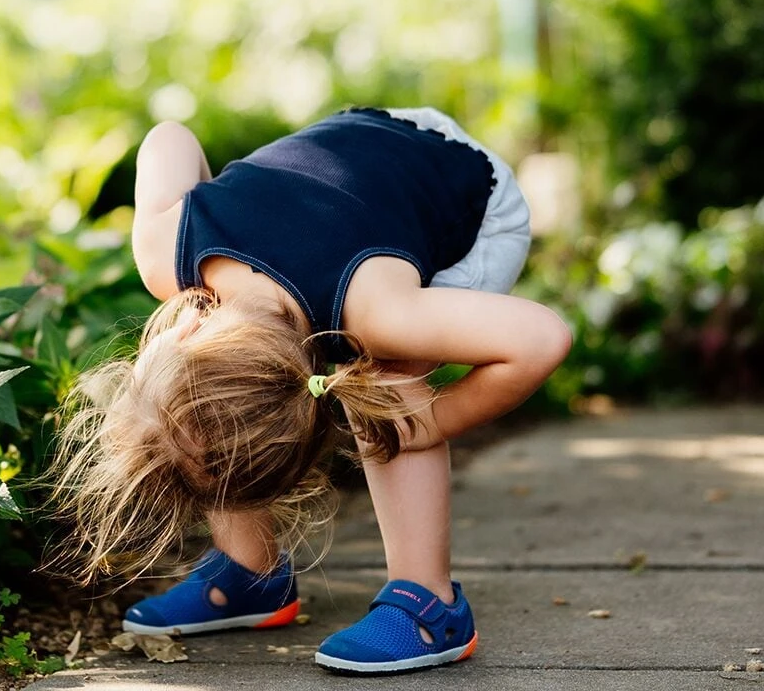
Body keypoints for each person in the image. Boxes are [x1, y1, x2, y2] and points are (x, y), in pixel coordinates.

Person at [49, 106, 572, 674]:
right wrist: (200, 197)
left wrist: (429, 421)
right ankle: (252, 573)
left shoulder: (377, 310)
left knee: (388, 383)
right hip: (358, 151)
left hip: (466, 189)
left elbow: (542, 337)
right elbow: (167, 137)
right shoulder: (168, 251)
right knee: (207, 429)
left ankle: (429, 603)